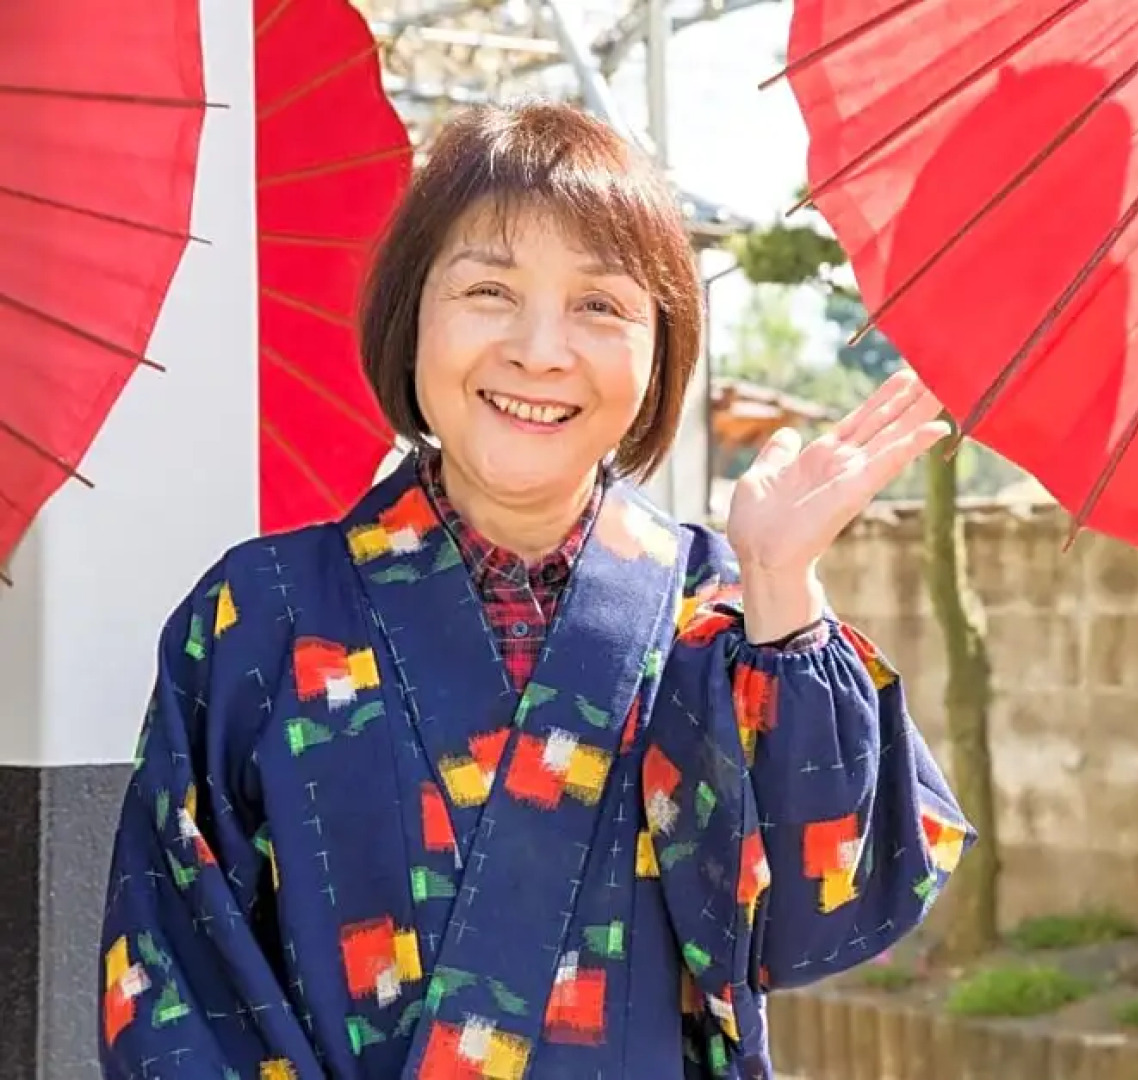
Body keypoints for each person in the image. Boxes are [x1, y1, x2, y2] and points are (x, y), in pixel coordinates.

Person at [97, 101, 973, 1080]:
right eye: (488, 291)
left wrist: (779, 586)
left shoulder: (717, 614)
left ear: (658, 350)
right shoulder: (257, 617)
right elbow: (174, 985)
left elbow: (824, 921)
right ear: (410, 313)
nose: (540, 350)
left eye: (599, 306)